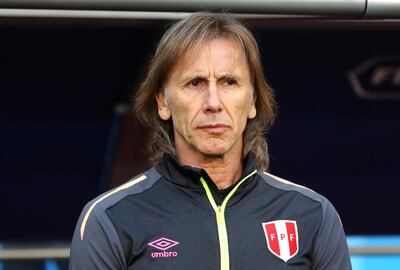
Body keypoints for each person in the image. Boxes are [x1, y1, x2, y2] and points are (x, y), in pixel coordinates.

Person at [69, 12, 352, 270]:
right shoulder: (110, 219)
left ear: (252, 100)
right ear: (163, 102)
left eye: (229, 82)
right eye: (195, 83)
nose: (213, 103)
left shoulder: (313, 214)